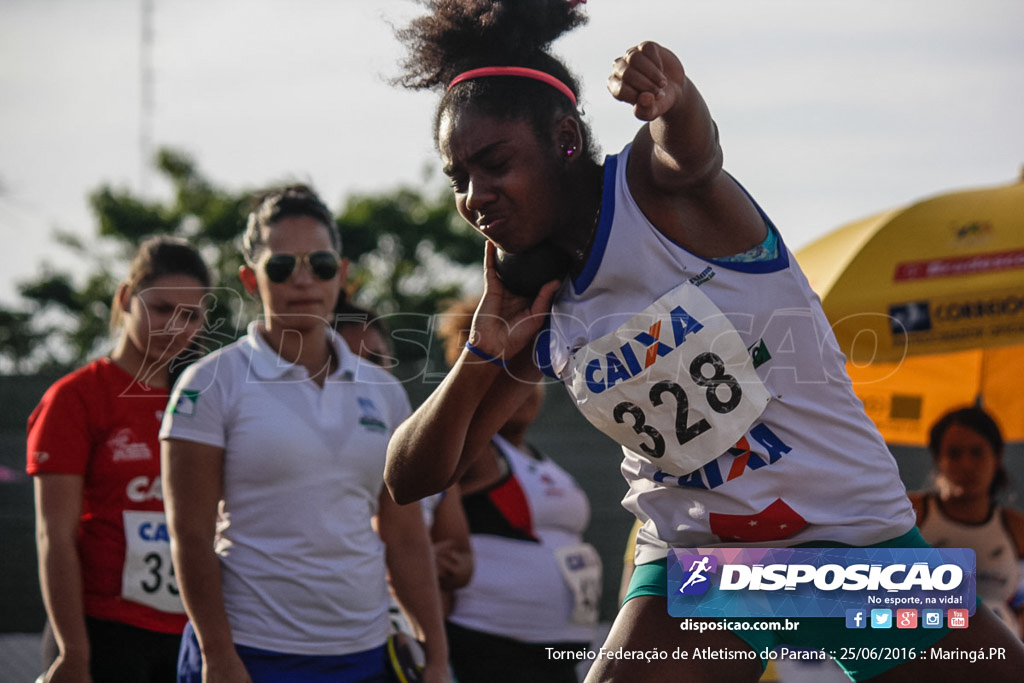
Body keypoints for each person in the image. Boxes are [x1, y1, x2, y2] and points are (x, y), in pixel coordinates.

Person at [382, 2, 1024, 681]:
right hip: (705, 564)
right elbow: (410, 477)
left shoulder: (653, 193)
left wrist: (674, 96)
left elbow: (690, 151)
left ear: (566, 139)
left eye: (494, 164)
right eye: (460, 178)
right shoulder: (538, 305)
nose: (476, 196)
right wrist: (485, 347)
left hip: (845, 540)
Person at [160, 184, 450, 683]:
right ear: (250, 280)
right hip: (250, 653)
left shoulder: (384, 391)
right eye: (280, 266)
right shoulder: (210, 382)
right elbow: (189, 534)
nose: (302, 279)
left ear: (340, 274)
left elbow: (404, 538)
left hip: (364, 655)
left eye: (318, 264)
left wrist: (438, 657)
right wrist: (218, 655)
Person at [27, 236, 211, 683]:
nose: (175, 326)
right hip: (102, 631)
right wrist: (74, 650)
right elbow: (55, 535)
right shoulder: (76, 398)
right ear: (127, 298)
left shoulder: (204, 400)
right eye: (162, 308)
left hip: (192, 632)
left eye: (191, 315)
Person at [434, 294, 599, 683]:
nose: (525, 384)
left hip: (557, 654)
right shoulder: (471, 452)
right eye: (508, 368)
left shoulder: (539, 458)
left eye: (530, 369)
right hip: (492, 647)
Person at [333, 298, 475, 619]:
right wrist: (405, 559)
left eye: (376, 359)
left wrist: (445, 564)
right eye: (352, 364)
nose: (367, 374)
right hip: (338, 633)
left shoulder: (422, 451)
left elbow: (463, 558)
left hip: (418, 647)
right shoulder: (295, 454)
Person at [910, 406, 1024, 638]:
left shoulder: (1015, 527)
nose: (966, 465)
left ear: (998, 456)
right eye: (954, 453)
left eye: (976, 452)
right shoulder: (911, 513)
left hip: (996, 663)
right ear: (937, 459)